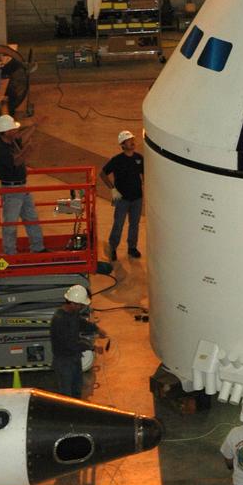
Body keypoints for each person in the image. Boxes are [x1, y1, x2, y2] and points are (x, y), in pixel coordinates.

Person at [0, 113, 45, 255]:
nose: (16, 131)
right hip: (11, 190)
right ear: (6, 132)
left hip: (20, 187)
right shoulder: (1, 150)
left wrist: (34, 126)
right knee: (10, 224)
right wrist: (27, 152)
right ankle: (10, 253)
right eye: (13, 129)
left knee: (32, 218)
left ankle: (38, 248)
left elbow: (22, 138)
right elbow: (16, 162)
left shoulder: (11, 142)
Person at [50, 284, 107, 398]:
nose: (81, 307)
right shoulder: (59, 320)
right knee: (66, 396)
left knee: (77, 390)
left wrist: (96, 329)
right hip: (64, 362)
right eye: (80, 305)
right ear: (72, 303)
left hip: (74, 358)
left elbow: (80, 322)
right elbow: (71, 344)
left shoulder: (72, 312)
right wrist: (92, 347)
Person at [100, 130, 144, 260]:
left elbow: (144, 173)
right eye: (129, 140)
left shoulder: (139, 159)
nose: (132, 142)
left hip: (137, 198)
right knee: (118, 223)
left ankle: (132, 247)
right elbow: (102, 174)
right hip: (122, 199)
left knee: (134, 224)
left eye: (132, 140)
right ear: (122, 144)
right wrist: (112, 189)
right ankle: (113, 247)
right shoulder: (117, 160)